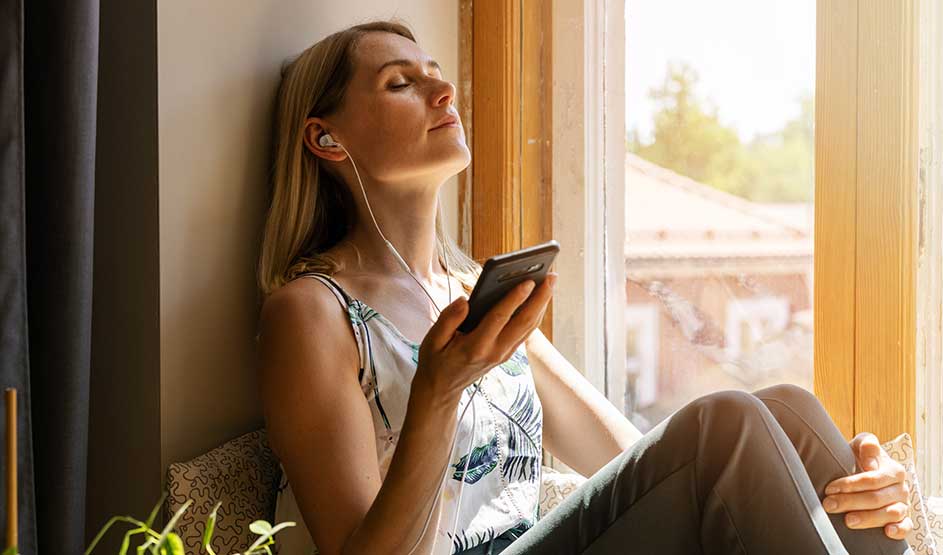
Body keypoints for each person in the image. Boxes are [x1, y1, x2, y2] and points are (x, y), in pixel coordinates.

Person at [255, 19, 914, 555]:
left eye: (436, 74)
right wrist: (437, 392)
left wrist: (833, 482)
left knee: (788, 413)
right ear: (326, 137)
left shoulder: (475, 294)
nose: (444, 91)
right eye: (401, 83)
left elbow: (638, 461)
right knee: (729, 421)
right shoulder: (310, 311)